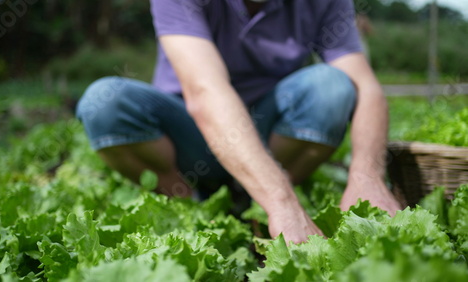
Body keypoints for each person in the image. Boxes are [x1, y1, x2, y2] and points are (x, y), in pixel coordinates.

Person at [76, 0, 402, 244]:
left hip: (268, 133)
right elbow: (205, 92)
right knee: (103, 103)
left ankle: (250, 203)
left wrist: (368, 176)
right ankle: (191, 203)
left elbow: (366, 86)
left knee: (332, 87)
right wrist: (283, 203)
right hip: (190, 136)